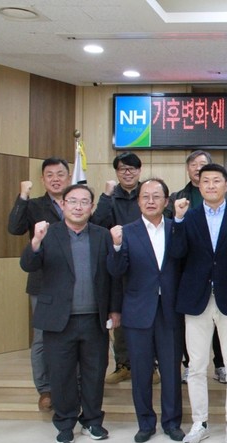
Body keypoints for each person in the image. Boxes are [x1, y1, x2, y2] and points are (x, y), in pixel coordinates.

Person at [20, 184, 122, 443]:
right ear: (63, 205)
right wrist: (35, 241)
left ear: (91, 207)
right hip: (58, 319)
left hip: (94, 318)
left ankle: (92, 421)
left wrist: (114, 309)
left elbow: (112, 276)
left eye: (84, 202)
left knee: (94, 372)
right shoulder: (48, 233)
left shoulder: (102, 235)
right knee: (61, 374)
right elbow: (28, 265)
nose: (78, 207)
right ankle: (65, 423)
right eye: (73, 201)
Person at [170, 164, 227, 443]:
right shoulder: (188, 217)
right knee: (196, 366)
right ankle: (200, 423)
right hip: (196, 300)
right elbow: (177, 254)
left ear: (226, 185)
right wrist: (177, 220)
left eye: (216, 181)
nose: (210, 186)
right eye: (205, 181)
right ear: (199, 185)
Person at [107, 178, 184, 443]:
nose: (151, 201)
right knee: (140, 371)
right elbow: (116, 271)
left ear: (166, 201)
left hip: (170, 310)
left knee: (171, 370)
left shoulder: (176, 228)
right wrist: (116, 246)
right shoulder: (126, 232)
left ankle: (172, 422)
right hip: (138, 311)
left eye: (156, 196)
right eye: (145, 196)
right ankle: (145, 423)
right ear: (138, 201)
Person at [7, 157, 71, 411]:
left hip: (74, 282)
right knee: (43, 338)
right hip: (43, 282)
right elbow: (14, 228)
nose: (56, 179)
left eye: (60, 174)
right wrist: (23, 196)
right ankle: (45, 390)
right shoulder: (34, 205)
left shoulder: (77, 202)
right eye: (50, 175)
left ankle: (73, 385)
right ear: (43, 180)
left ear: (69, 177)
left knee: (74, 335)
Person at [165, 150, 227, 385]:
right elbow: (173, 232)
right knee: (191, 326)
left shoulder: (226, 198)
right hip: (190, 270)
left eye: (202, 164)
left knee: (220, 324)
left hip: (218, 272)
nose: (197, 167)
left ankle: (220, 365)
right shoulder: (177, 197)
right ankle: (189, 365)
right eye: (193, 164)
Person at [91, 152, 144, 385]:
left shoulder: (147, 193)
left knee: (147, 317)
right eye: (123, 169)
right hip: (117, 264)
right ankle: (123, 364)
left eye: (132, 168)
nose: (128, 173)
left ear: (139, 171)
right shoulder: (110, 197)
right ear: (116, 172)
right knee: (119, 316)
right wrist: (105, 195)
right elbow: (96, 224)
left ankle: (149, 365)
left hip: (145, 264)